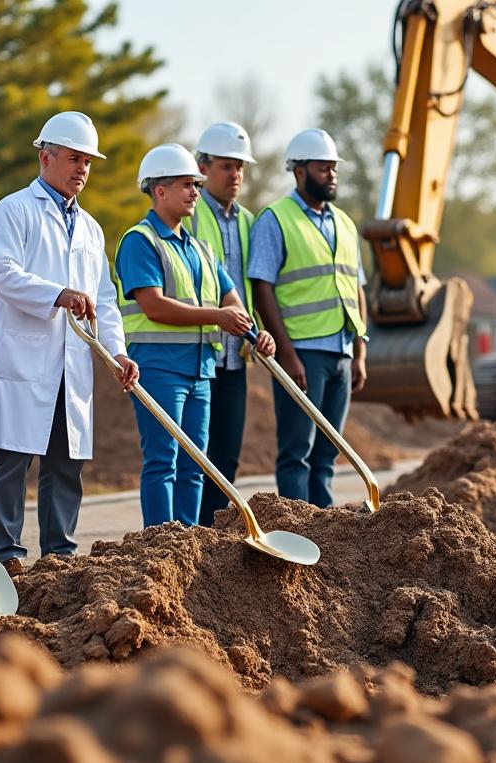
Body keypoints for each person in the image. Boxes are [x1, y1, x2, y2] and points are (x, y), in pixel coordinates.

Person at [0, 111, 138, 577]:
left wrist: (117, 352)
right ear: (45, 157)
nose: (82, 170)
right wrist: (57, 294)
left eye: (87, 162)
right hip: (25, 355)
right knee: (14, 458)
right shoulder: (14, 210)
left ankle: (59, 554)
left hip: (72, 359)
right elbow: (2, 274)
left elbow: (105, 299)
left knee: (66, 461)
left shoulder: (90, 227)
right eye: (74, 159)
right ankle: (8, 554)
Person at [114, 143, 274, 528]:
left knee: (194, 465)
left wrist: (256, 333)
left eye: (197, 185)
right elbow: (154, 306)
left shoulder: (200, 248)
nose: (195, 193)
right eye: (186, 184)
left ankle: (189, 542)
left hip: (201, 371)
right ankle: (159, 543)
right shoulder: (140, 241)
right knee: (163, 461)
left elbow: (230, 298)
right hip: (158, 368)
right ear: (159, 190)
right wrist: (219, 316)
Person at [249, 129, 367, 509]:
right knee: (297, 451)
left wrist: (360, 351)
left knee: (328, 452)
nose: (331, 175)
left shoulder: (344, 223)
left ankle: (325, 528)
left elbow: (356, 288)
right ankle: (300, 527)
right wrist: (287, 354)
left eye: (334, 168)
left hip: (341, 352)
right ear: (299, 171)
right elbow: (262, 287)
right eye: (323, 168)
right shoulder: (275, 219)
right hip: (302, 352)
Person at [190, 122, 260, 526]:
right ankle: (191, 534)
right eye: (226, 166)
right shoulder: (189, 214)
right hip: (199, 352)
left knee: (227, 455)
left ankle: (215, 533)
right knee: (195, 455)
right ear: (203, 167)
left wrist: (257, 330)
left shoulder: (248, 221)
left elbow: (248, 286)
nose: (235, 175)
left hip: (236, 356)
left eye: (240, 167)